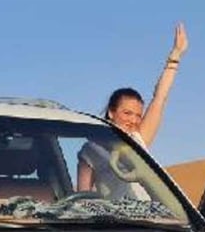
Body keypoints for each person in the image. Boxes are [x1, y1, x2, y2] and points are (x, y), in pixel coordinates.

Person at [77, 22, 188, 193]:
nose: (133, 120)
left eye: (138, 115)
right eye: (127, 113)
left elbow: (160, 98)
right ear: (111, 112)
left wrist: (176, 55)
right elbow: (83, 195)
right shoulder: (91, 149)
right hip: (114, 218)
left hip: (147, 216)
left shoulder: (139, 140)